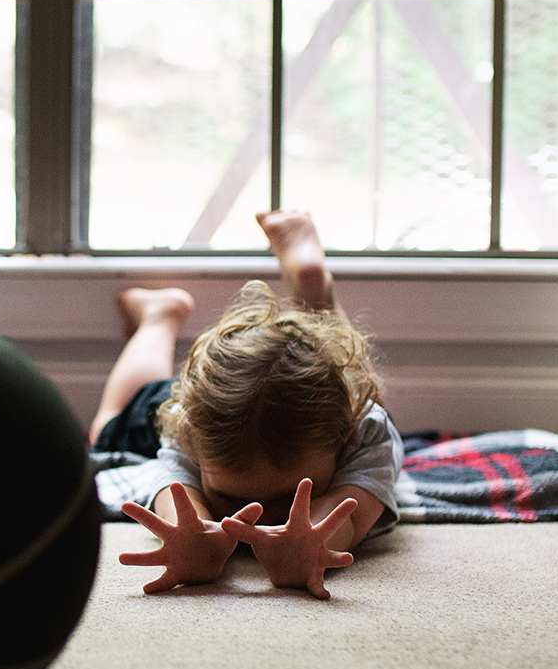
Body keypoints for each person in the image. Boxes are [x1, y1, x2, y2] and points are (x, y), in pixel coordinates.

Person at [90, 211, 400, 599]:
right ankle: (158, 318)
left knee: (366, 392)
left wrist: (315, 540)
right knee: (108, 429)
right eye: (231, 500)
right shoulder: (186, 426)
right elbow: (174, 495)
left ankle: (315, 296)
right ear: (190, 445)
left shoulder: (365, 428)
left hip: (344, 408)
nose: (263, 519)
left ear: (347, 435)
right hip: (185, 398)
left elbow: (348, 516)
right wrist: (193, 531)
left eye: (289, 500)